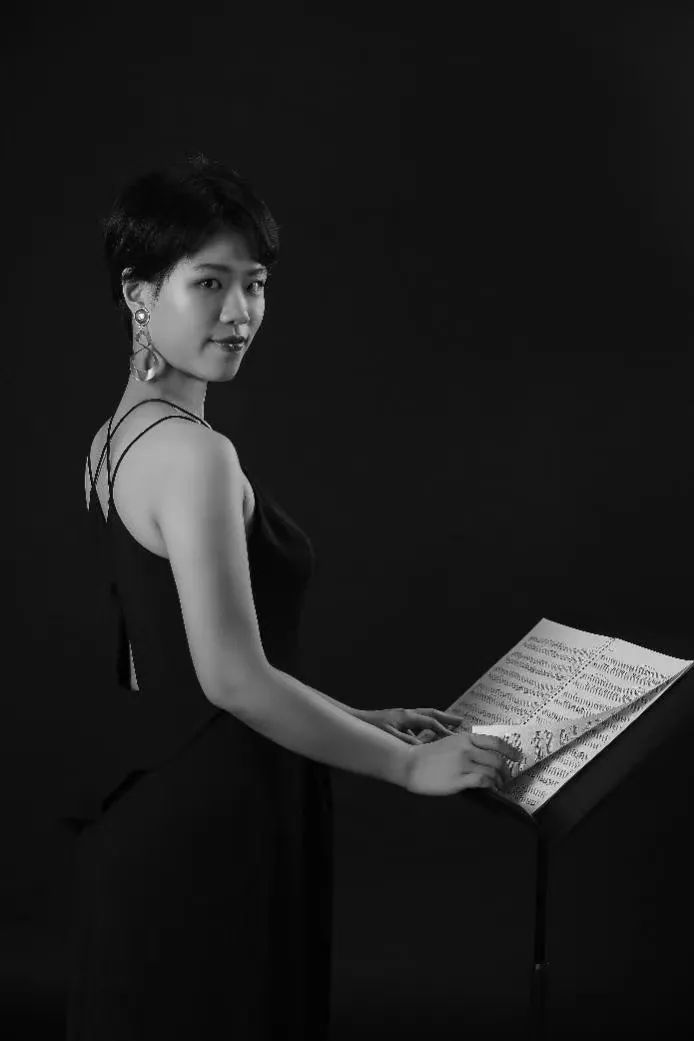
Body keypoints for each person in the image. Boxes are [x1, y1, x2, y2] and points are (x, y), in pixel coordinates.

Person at [64, 152, 521, 1040]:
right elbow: (231, 679)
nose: (240, 313)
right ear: (138, 293)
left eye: (257, 283)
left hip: (156, 810)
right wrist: (405, 766)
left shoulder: (112, 440)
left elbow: (183, 668)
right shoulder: (194, 456)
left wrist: (361, 718)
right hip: (216, 829)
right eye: (210, 282)